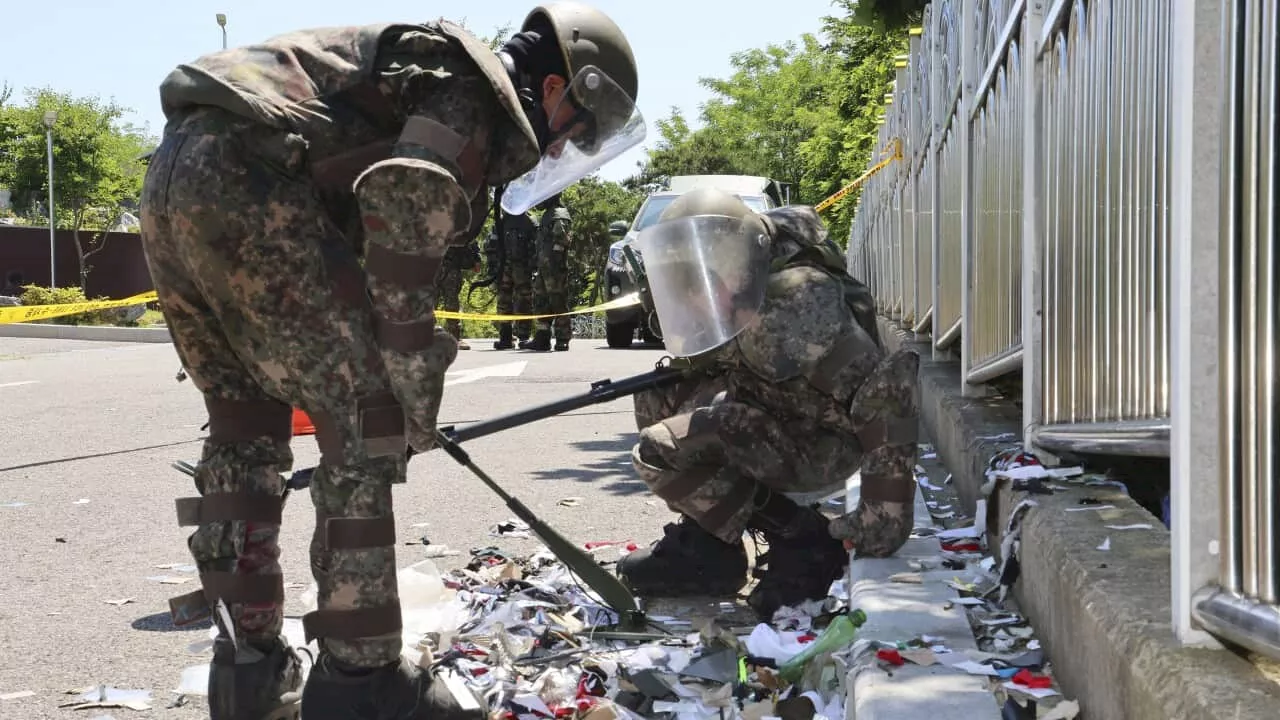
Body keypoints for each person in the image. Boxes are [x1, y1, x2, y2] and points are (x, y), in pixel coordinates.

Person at [138, 4, 642, 718]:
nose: (566, 149)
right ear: (556, 87)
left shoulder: (411, 68)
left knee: (243, 428)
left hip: (174, 180)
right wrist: (407, 383)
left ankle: (246, 674)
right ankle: (362, 680)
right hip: (254, 181)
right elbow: (408, 197)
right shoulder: (473, 85)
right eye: (580, 130)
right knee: (366, 432)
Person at [616, 188, 920, 622]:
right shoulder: (745, 296)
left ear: (733, 270)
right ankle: (712, 548)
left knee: (665, 445)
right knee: (658, 398)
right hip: (784, 412)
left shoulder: (794, 308)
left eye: (698, 285)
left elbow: (886, 391)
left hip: (824, 443)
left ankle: (802, 540)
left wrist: (884, 516)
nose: (691, 299)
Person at [521, 194, 573, 351]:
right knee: (541, 301)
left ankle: (563, 338)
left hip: (554, 269)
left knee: (558, 300)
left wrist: (554, 265)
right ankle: (542, 337)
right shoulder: (548, 215)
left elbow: (563, 240)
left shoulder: (558, 214)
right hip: (544, 268)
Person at [493, 210, 537, 349]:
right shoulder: (501, 221)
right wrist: (493, 268)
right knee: (503, 301)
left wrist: (534, 267)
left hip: (523, 267)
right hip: (504, 267)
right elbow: (492, 245)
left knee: (524, 301)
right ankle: (505, 337)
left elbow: (537, 245)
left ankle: (524, 337)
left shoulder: (529, 221)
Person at [437, 240, 482, 350]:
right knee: (428, 303)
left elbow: (468, 236)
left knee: (452, 304)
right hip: (432, 265)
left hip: (451, 266)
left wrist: (476, 259)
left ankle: (454, 338)